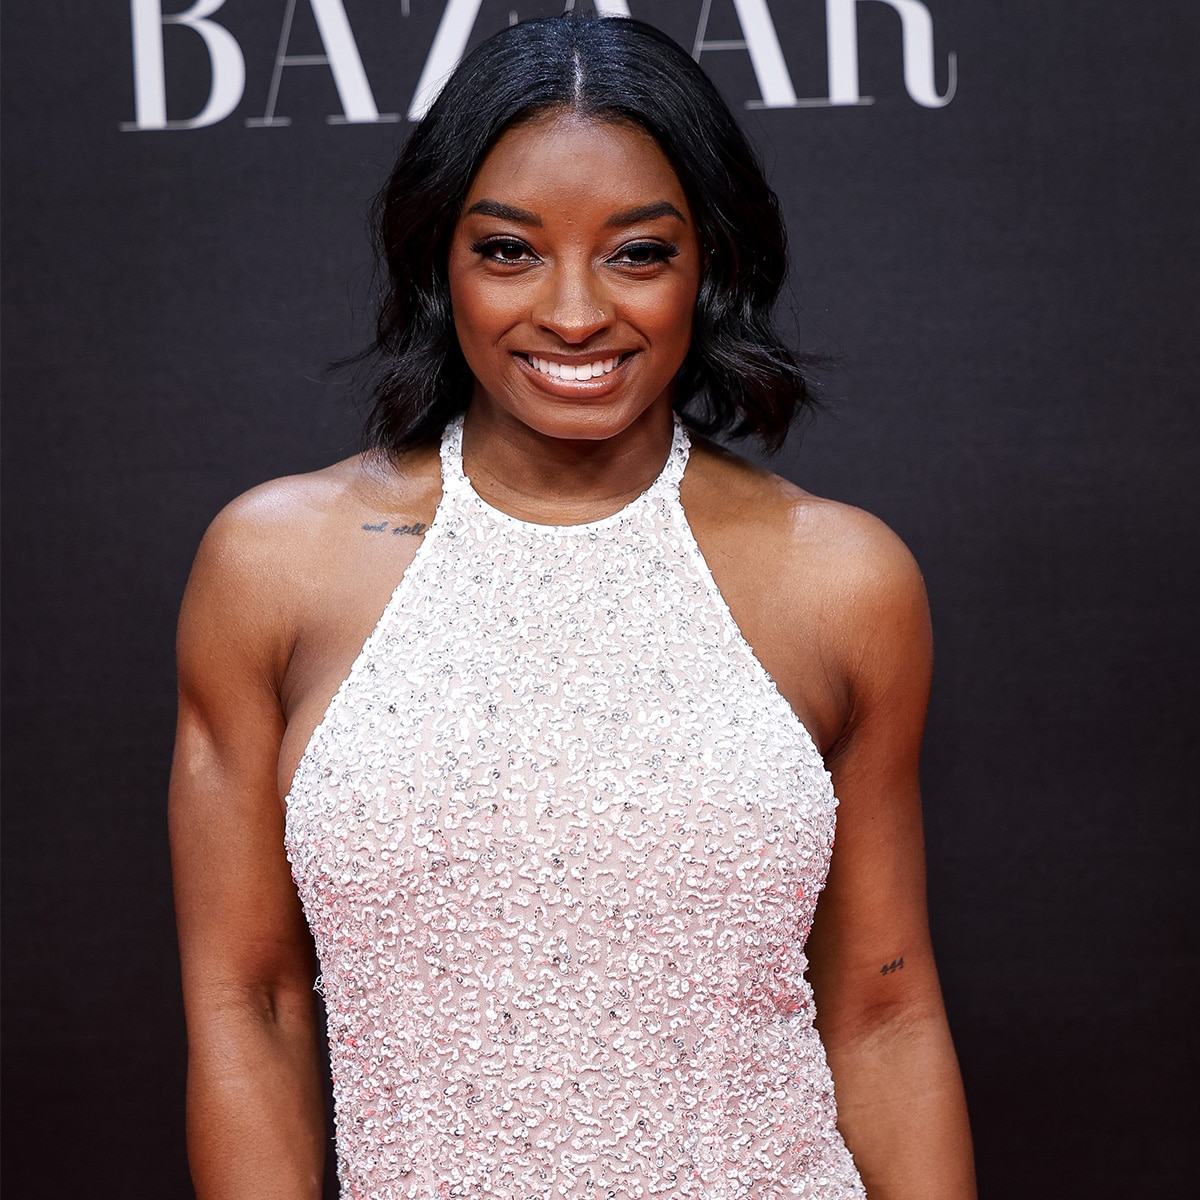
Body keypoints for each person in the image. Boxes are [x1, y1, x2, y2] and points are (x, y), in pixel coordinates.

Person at [170, 13, 975, 1199]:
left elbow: (884, 1013)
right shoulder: (275, 566)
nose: (575, 312)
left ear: (713, 264)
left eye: (637, 253)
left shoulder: (840, 577)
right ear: (437, 261)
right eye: (508, 251)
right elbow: (254, 1005)